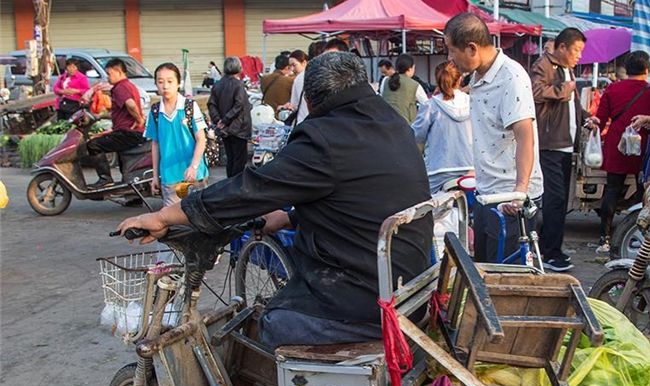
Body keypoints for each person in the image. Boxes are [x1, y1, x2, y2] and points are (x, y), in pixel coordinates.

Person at [116, 51, 432, 349]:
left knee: (272, 319)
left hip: (367, 302)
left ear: (309, 100)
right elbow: (362, 194)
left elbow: (252, 188)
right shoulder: (391, 122)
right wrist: (289, 217)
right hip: (408, 288)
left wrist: (164, 216)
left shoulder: (325, 136)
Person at [443, 13, 543, 263]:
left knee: (507, 285)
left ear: (472, 48)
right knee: (484, 275)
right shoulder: (478, 76)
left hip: (510, 200)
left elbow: (525, 137)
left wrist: (519, 192)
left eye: (452, 51)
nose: (450, 59)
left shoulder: (511, 78)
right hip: (487, 192)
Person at [593, 51, 650, 251]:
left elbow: (601, 119)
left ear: (626, 68)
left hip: (617, 142)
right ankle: (639, 235)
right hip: (643, 143)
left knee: (612, 189)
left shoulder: (613, 89)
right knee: (644, 191)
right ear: (648, 70)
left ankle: (604, 237)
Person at [531, 27, 586, 272]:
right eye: (576, 50)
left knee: (562, 200)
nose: (578, 56)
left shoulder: (567, 69)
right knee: (554, 199)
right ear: (562, 47)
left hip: (566, 144)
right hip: (549, 143)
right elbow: (536, 92)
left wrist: (587, 118)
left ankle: (549, 247)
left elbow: (572, 106)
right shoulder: (544, 65)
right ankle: (551, 254)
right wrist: (565, 89)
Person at [145, 62, 208, 205]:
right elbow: (155, 144)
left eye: (170, 81)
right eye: (160, 82)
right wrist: (155, 176)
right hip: (169, 177)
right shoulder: (155, 112)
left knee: (198, 216)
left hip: (195, 176)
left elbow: (201, 139)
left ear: (179, 83)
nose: (165, 86)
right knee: (173, 219)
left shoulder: (190, 107)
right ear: (156, 85)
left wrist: (194, 166)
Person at [411, 61, 473, 193]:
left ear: (438, 80)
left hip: (438, 170)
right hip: (470, 168)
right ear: (460, 79)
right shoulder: (472, 102)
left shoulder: (431, 105)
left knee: (428, 207)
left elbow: (417, 135)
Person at [85, 58, 147, 187]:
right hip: (130, 132)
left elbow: (130, 105)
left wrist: (139, 120)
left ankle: (105, 179)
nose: (108, 77)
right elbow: (121, 110)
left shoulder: (120, 87)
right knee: (124, 162)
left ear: (118, 71)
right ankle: (133, 195)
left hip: (128, 133)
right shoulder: (128, 85)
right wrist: (100, 116)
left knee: (93, 145)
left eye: (109, 74)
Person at [208, 56, 252, 178]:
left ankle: (229, 185)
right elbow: (239, 104)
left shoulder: (218, 85)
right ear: (239, 68)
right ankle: (236, 188)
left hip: (225, 129)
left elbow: (211, 104)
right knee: (239, 161)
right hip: (239, 128)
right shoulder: (238, 85)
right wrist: (225, 119)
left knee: (231, 159)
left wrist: (219, 120)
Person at [381, 54, 428, 125]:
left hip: (386, 125)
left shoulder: (385, 81)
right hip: (406, 127)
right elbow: (427, 106)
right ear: (410, 68)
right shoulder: (415, 85)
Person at [279, 49, 308, 124]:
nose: (292, 69)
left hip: (302, 120)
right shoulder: (315, 75)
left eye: (294, 65)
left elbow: (294, 105)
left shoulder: (299, 79)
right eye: (290, 66)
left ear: (304, 63)